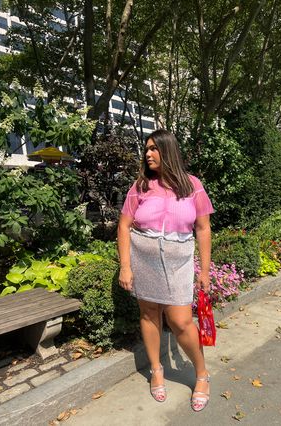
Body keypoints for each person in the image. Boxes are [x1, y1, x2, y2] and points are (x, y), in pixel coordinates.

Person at [117, 129, 214, 412]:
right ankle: (157, 370)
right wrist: (125, 266)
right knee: (149, 314)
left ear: (168, 150)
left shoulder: (192, 185)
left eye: (153, 149)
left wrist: (205, 271)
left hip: (179, 261)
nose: (147, 154)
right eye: (146, 149)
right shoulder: (140, 186)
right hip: (143, 260)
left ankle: (202, 374)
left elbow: (204, 229)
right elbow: (124, 226)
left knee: (181, 321)